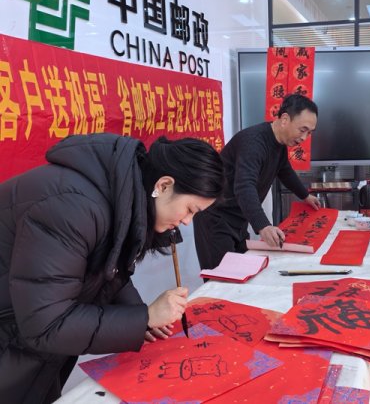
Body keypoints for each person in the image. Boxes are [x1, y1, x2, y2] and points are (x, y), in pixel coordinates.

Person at [0, 133, 225, 403]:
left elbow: (108, 272)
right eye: (190, 209)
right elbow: (47, 324)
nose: (188, 222)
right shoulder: (72, 209)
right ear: (164, 185)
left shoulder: (119, 195)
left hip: (26, 335)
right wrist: (144, 318)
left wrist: (140, 317)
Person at [193, 93, 321, 270]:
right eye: (302, 130)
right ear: (285, 119)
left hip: (238, 216)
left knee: (240, 272)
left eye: (309, 132)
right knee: (221, 276)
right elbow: (244, 186)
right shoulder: (254, 142)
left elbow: (285, 171)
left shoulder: (279, 143)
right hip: (216, 216)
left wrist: (305, 196)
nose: (304, 138)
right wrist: (263, 226)